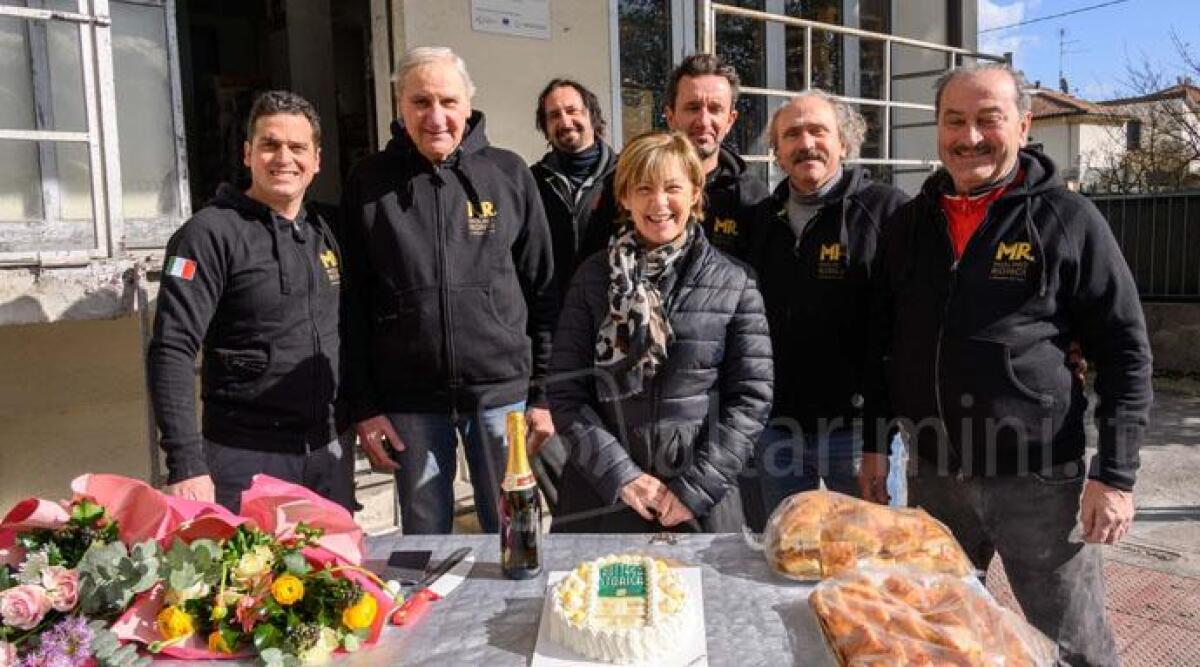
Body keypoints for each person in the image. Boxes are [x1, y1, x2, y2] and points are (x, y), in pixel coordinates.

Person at [861, 63, 1152, 666]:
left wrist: (1116, 475)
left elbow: (1125, 348)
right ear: (937, 130)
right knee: (940, 635)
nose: (970, 137)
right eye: (954, 121)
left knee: (1073, 647)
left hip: (1039, 483)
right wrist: (874, 444)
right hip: (934, 476)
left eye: (988, 120)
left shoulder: (1068, 220)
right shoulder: (909, 225)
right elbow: (882, 343)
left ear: (1022, 124)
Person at [339, 47, 558, 534]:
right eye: (420, 102)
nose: (436, 117)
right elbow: (351, 304)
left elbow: (543, 289)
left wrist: (543, 394)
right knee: (423, 541)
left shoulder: (509, 174)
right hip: (410, 401)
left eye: (447, 102)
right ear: (400, 106)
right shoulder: (368, 181)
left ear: (468, 105)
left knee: (514, 533)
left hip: (503, 395)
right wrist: (365, 406)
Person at [548, 130, 773, 533]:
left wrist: (694, 490)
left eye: (672, 187)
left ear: (694, 193)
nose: (659, 203)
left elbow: (750, 400)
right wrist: (622, 477)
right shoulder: (593, 278)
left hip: (699, 498)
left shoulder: (736, 282)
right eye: (644, 188)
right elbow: (566, 392)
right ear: (624, 197)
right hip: (604, 496)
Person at [148, 90, 351, 513]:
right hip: (245, 457)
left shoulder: (327, 230)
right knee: (253, 579)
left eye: (297, 148)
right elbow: (172, 348)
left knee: (336, 574)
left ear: (317, 160)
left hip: (328, 449)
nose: (283, 158)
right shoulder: (207, 235)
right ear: (247, 153)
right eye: (269, 145)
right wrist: (185, 461)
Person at [750, 91, 908, 515]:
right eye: (792, 135)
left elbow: (900, 330)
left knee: (872, 560)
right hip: (777, 429)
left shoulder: (888, 211)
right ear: (778, 152)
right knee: (786, 554)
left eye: (818, 130)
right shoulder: (763, 220)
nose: (806, 143)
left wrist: (881, 436)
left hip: (859, 434)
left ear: (844, 142)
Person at [528, 78, 619, 515]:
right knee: (552, 449)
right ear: (544, 127)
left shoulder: (625, 175)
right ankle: (576, 531)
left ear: (593, 116)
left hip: (615, 342)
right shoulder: (529, 184)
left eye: (573, 110)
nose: (565, 121)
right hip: (553, 337)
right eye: (553, 115)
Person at [593, 53, 769, 261]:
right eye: (693, 108)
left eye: (715, 109)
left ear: (730, 120)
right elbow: (596, 263)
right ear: (670, 116)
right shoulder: (624, 182)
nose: (704, 121)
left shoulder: (751, 199)